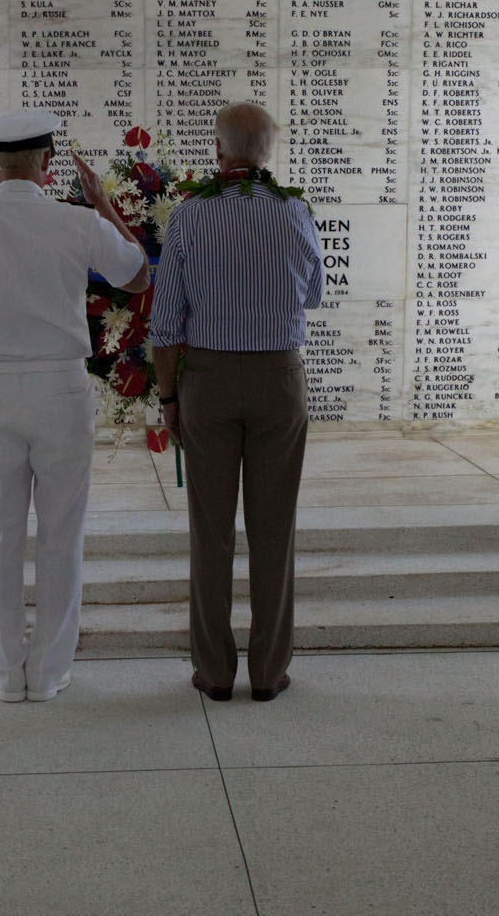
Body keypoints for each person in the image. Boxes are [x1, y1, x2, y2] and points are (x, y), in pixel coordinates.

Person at [0, 109, 148, 702]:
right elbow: (138, 278)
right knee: (61, 535)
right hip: (61, 390)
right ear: (49, 163)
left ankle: (4, 674)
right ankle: (48, 673)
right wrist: (103, 204)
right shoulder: (76, 221)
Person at [149, 102, 323, 702]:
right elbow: (316, 293)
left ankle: (215, 672)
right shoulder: (294, 211)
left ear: (217, 149)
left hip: (209, 381)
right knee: (275, 532)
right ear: (268, 154)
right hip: (278, 379)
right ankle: (270, 673)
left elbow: (165, 323)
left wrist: (169, 397)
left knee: (211, 532)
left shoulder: (191, 217)